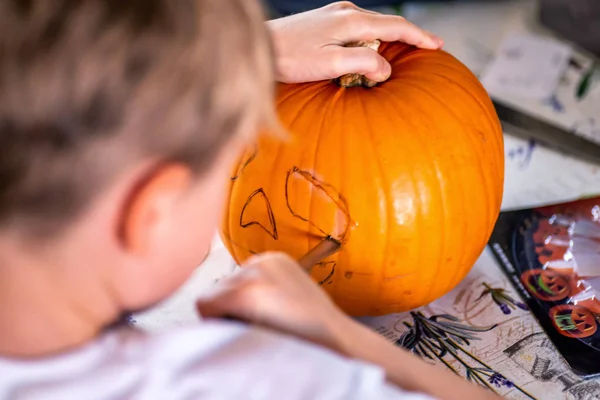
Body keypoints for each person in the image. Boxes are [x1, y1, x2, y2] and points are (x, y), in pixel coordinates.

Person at [0, 1, 499, 399]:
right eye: (230, 167)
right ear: (151, 214)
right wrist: (340, 334)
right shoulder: (246, 377)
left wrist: (239, 53)